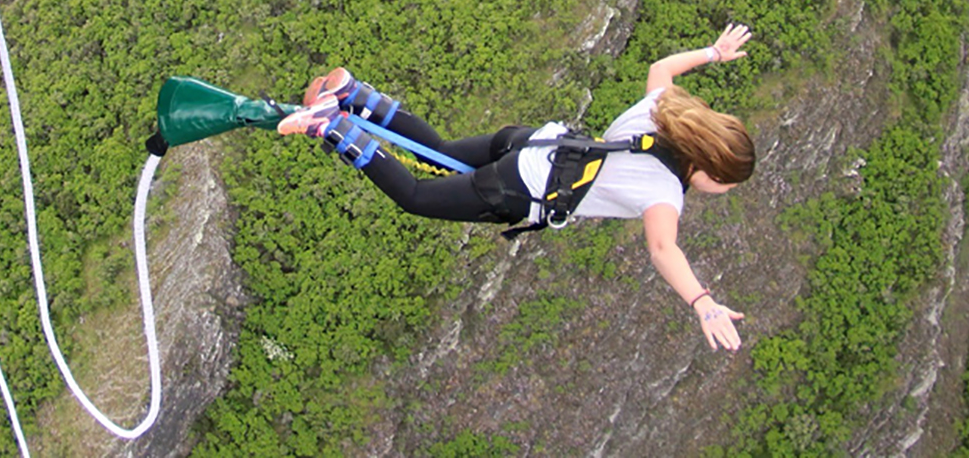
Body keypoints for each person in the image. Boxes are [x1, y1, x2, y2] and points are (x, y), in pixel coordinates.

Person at [279, 24, 757, 356]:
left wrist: (712, 53)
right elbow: (662, 248)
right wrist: (702, 302)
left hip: (534, 141)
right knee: (417, 196)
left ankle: (356, 97)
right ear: (708, 167)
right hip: (520, 187)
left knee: (439, 150)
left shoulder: (663, 112)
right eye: (724, 184)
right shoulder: (666, 193)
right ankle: (334, 126)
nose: (720, 191)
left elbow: (662, 67)